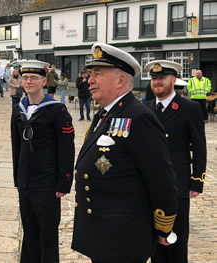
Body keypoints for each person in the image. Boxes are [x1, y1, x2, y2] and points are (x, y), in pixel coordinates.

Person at [71, 43, 178, 263]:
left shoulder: (138, 117)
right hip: (103, 233)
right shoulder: (105, 114)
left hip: (123, 237)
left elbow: (161, 179)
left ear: (120, 81)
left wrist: (163, 226)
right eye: (90, 74)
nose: (89, 79)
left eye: (97, 74)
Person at [11, 60, 75, 263]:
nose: (28, 82)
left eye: (34, 78)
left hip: (47, 183)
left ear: (43, 81)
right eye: (25, 78)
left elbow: (66, 148)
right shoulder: (19, 109)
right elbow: (16, 147)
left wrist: (64, 182)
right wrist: (18, 179)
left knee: (47, 236)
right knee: (29, 233)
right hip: (26, 182)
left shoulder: (57, 111)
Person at [144, 60, 206, 263]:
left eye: (161, 78)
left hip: (177, 184)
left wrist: (196, 180)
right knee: (154, 243)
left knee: (176, 241)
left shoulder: (189, 108)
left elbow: (199, 146)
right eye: (154, 78)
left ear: (174, 80)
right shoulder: (145, 109)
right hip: (149, 186)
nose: (157, 82)